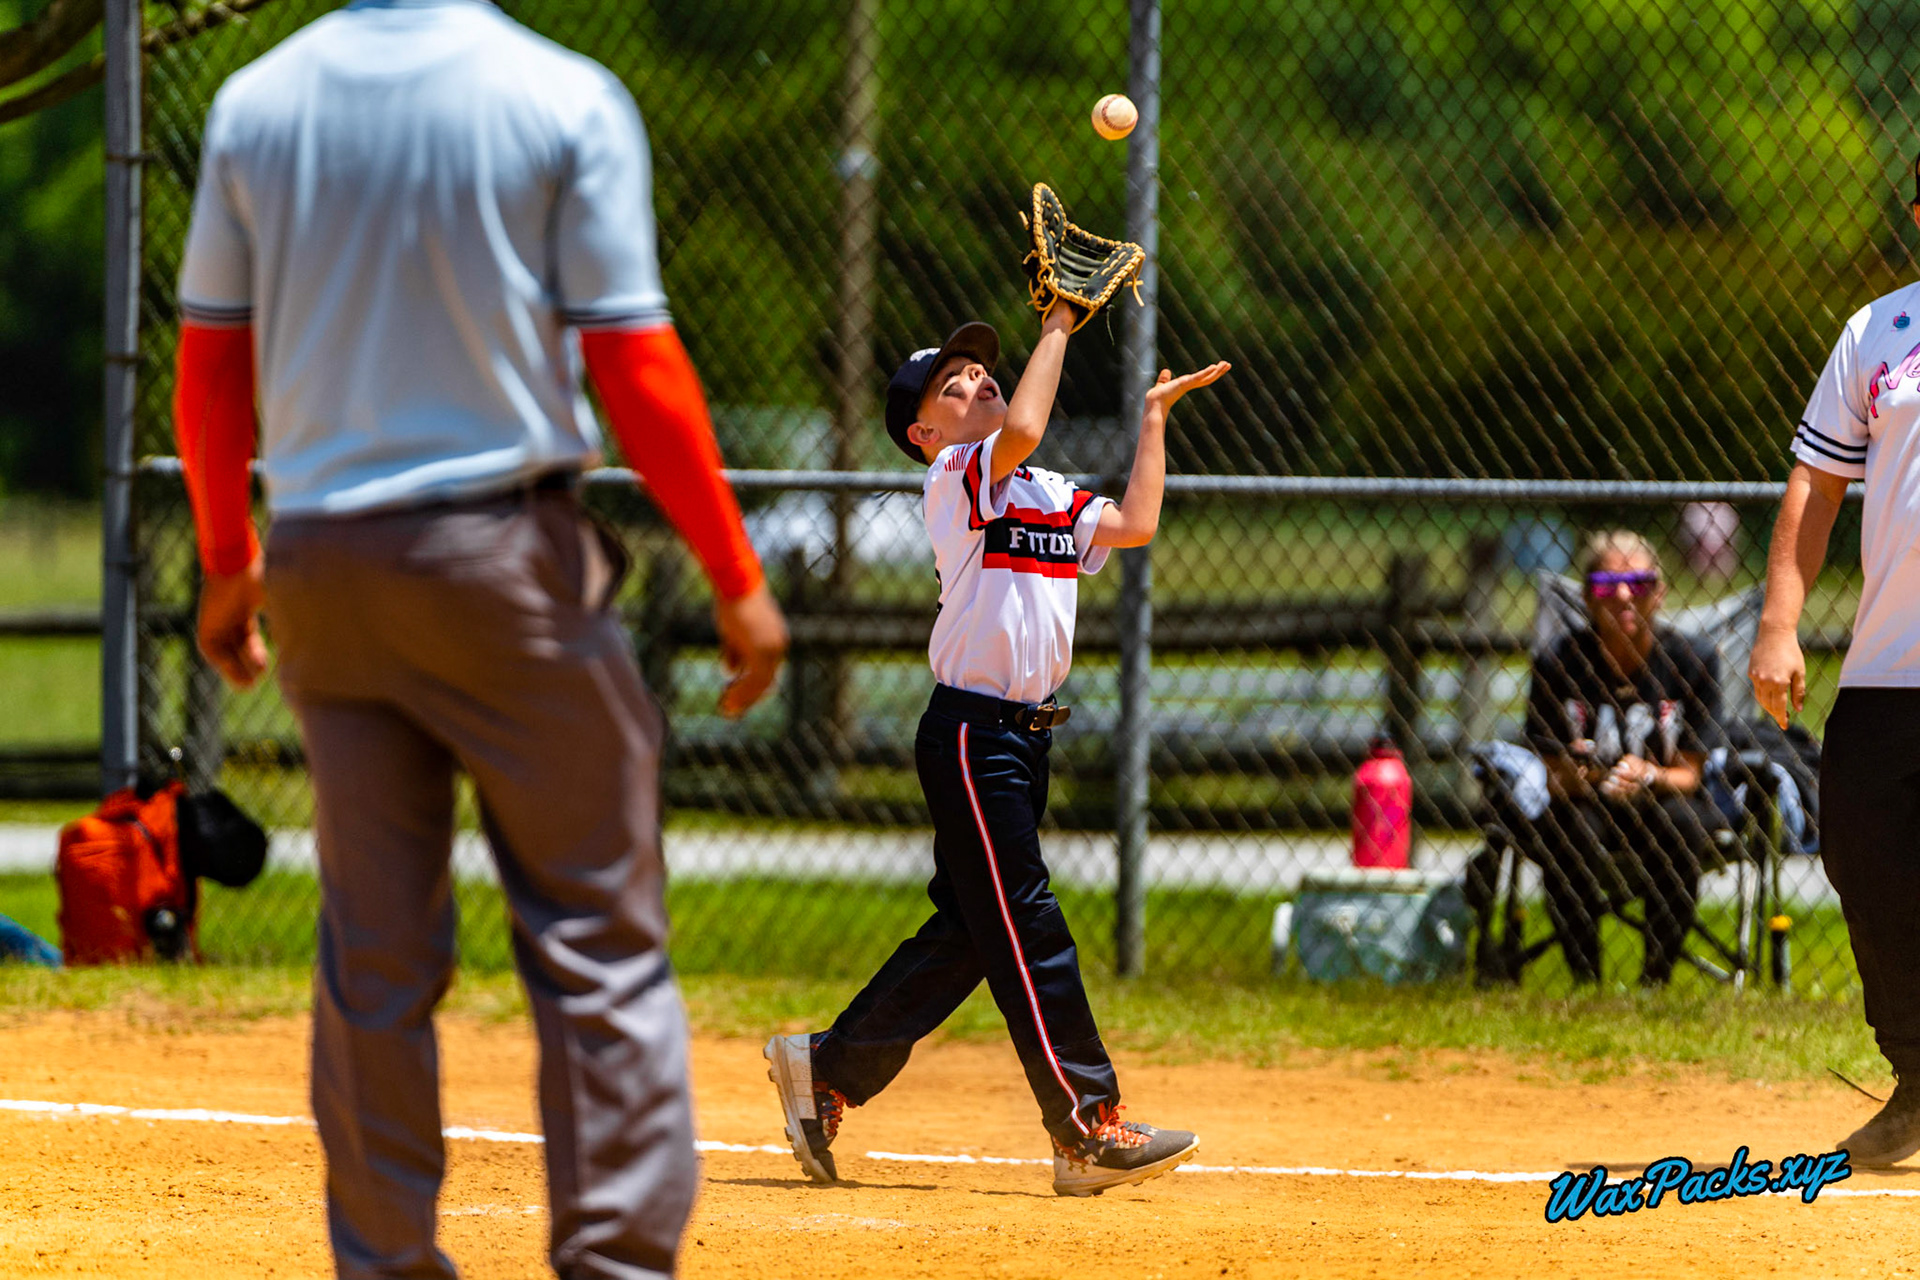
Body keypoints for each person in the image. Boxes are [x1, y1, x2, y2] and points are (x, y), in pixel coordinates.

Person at [172, 2, 788, 1275]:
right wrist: (734, 572)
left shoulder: (255, 104)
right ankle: (614, 1260)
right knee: (596, 934)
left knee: (374, 951)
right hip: (502, 551)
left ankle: (385, 1261)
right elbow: (632, 357)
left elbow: (210, 367)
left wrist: (231, 560)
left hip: (325, 559)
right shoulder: (560, 95)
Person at [763, 305, 1227, 1197]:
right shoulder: (953, 479)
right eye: (953, 381)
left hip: (1022, 740)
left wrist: (1154, 419)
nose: (977, 380)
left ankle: (825, 1067)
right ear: (924, 430)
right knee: (1028, 918)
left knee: (979, 935)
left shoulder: (1046, 491)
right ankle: (1086, 1126)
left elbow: (1133, 524)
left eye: (981, 370)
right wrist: (1058, 322)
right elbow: (1022, 425)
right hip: (972, 735)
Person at [1750, 152, 1920, 1167]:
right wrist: (1779, 618)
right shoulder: (1880, 330)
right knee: (1862, 847)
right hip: (1891, 666)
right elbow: (1814, 488)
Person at [1516, 531, 1722, 987]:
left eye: (1640, 582)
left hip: (1662, 800)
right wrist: (1584, 776)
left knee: (1683, 823)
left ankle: (1656, 978)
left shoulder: (1693, 660)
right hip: (1587, 799)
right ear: (1589, 595)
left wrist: (1648, 774)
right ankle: (1586, 980)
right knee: (1567, 827)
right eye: (1608, 583)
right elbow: (1549, 772)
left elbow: (1691, 774)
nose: (1624, 595)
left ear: (1660, 593)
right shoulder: (1559, 661)